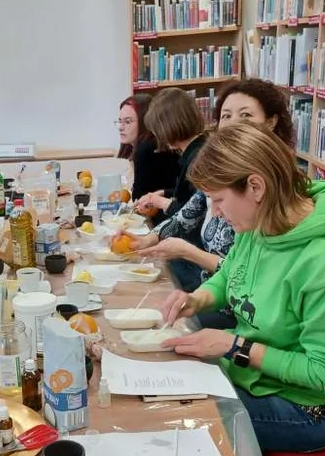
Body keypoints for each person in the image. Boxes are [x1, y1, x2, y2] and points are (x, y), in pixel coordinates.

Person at [160, 122, 325, 453]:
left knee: (185, 422)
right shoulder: (262, 223)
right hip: (264, 379)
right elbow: (232, 273)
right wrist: (198, 298)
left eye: (218, 200)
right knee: (174, 391)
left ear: (255, 187)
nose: (216, 214)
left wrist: (236, 345)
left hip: (316, 408)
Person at [128, 79, 297, 328]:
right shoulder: (226, 177)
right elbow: (233, 268)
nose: (214, 211)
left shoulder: (266, 206)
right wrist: (150, 239)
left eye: (246, 115)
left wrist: (236, 348)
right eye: (226, 115)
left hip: (237, 315)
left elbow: (258, 294)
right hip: (221, 297)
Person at [134, 88, 207, 221]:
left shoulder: (198, 159)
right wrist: (163, 193)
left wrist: (160, 202)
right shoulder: (199, 148)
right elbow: (189, 194)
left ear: (166, 127)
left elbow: (194, 213)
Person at [117, 94, 181, 202]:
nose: (120, 127)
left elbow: (137, 198)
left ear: (145, 122)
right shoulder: (151, 144)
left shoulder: (146, 149)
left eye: (127, 122)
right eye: (119, 121)